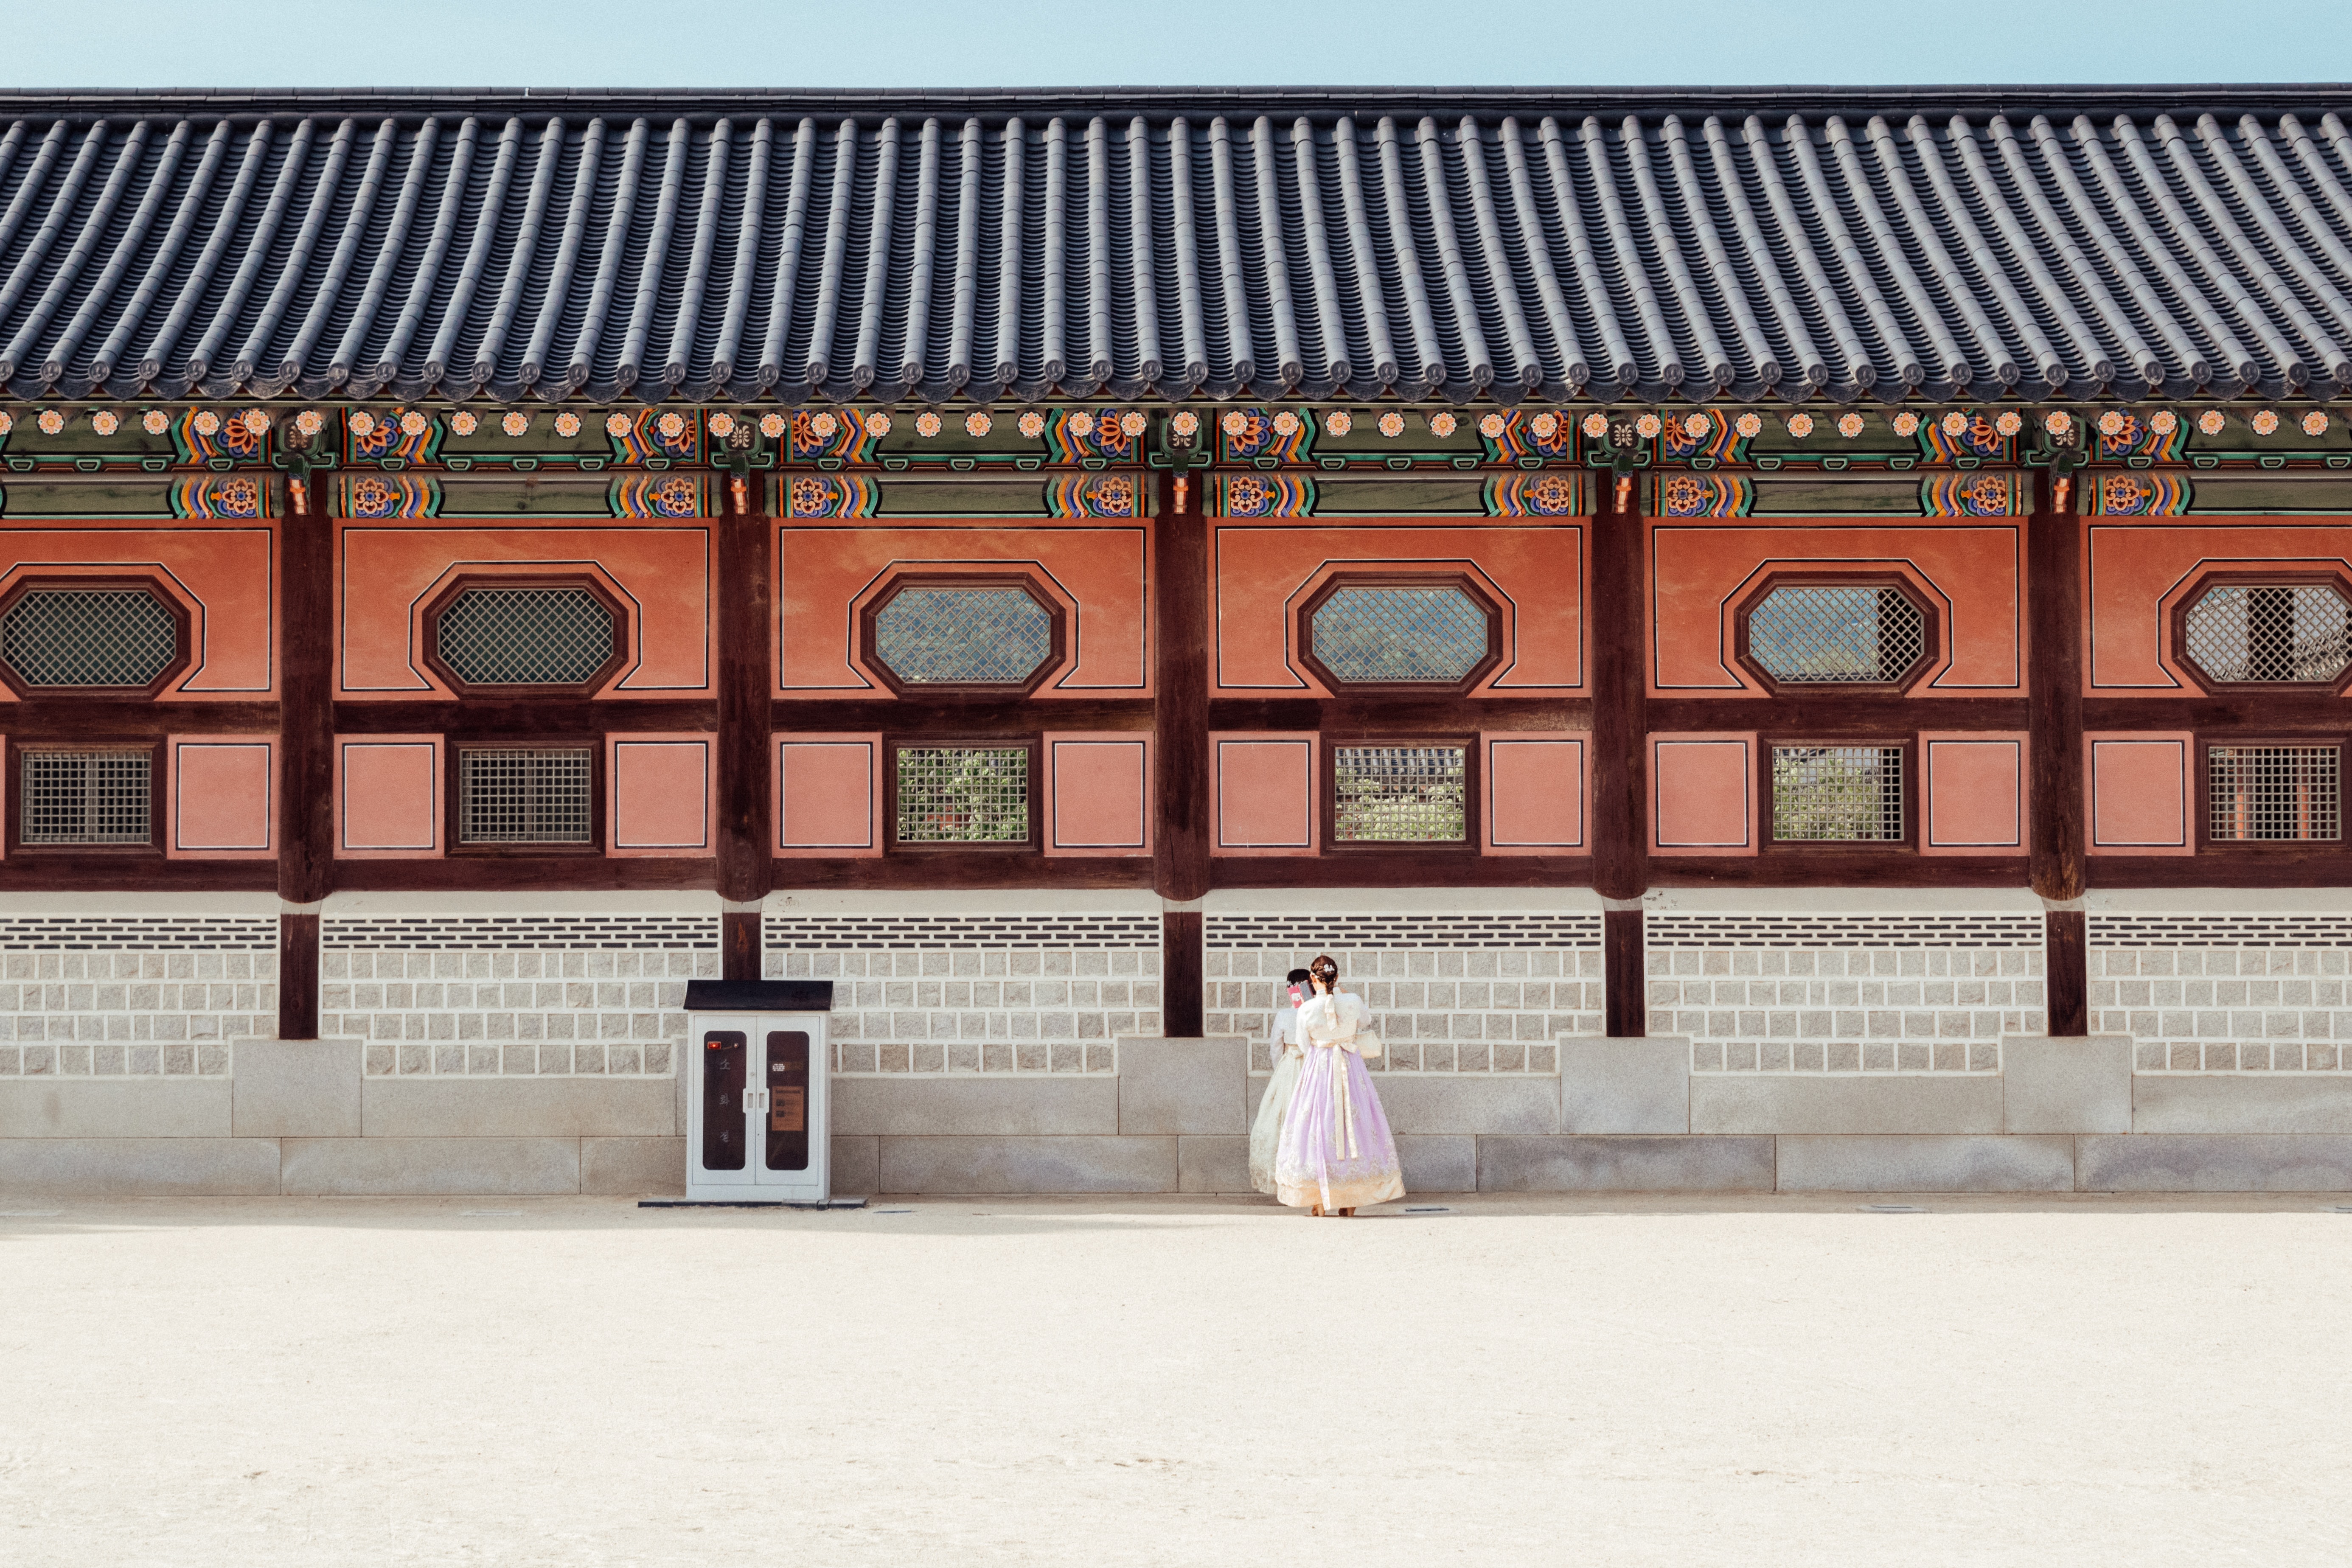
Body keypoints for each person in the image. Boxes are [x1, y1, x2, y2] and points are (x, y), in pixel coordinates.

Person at [1274, 954, 1405, 1217]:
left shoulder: (1307, 1010)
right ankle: (1351, 1197)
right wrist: (1343, 998)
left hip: (1319, 1068)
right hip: (1350, 1067)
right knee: (1353, 1125)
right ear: (1337, 977)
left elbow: (1303, 1044)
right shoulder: (1353, 1001)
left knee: (1318, 1128)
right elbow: (1365, 1022)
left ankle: (1320, 1199)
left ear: (1312, 980)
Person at [1248, 968, 1312, 1196]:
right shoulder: (1316, 1011)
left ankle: (1287, 1178)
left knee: (1284, 1121)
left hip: (1290, 1067)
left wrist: (1280, 1071)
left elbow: (1275, 1048)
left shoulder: (1285, 1015)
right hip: (1314, 1064)